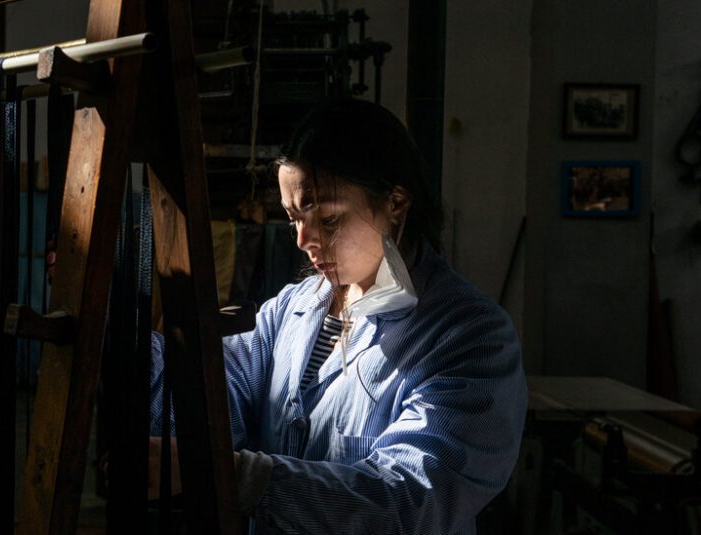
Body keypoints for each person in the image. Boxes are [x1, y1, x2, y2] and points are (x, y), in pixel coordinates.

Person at [150, 98, 527, 534]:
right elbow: (212, 400)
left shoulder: (472, 339)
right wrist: (124, 345)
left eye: (328, 220)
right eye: (294, 219)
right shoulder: (292, 310)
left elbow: (411, 499)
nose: (303, 240)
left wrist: (242, 477)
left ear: (396, 203)